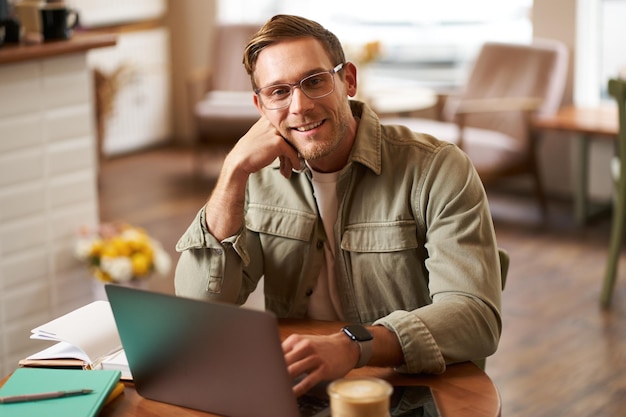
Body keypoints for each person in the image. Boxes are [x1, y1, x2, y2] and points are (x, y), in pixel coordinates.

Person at [175, 14, 502, 397]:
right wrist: (233, 171)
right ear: (260, 106)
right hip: (300, 388)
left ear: (347, 80)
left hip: (406, 389)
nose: (299, 106)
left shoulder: (437, 168)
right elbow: (201, 309)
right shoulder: (255, 178)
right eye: (279, 92)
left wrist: (353, 344)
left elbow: (474, 316)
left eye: (313, 82)